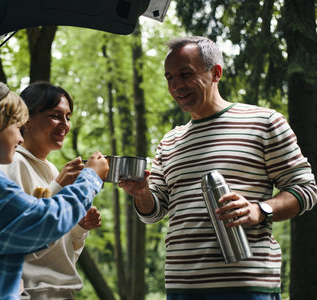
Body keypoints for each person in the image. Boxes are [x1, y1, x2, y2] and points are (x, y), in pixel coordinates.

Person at [118, 36, 317, 299]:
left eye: (185, 74)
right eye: (169, 78)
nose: (176, 85)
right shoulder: (170, 141)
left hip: (246, 287)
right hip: (181, 288)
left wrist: (260, 209)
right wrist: (142, 194)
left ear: (216, 73)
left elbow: (305, 189)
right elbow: (153, 213)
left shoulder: (264, 122)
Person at [0, 78, 108, 300]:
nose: (21, 137)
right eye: (16, 127)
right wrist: (91, 178)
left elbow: (30, 238)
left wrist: (78, 227)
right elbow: (44, 222)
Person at [0, 82, 101, 299]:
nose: (65, 124)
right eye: (55, 115)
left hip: (60, 292)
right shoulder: (12, 163)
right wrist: (58, 186)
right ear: (26, 119)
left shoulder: (52, 170)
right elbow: (22, 234)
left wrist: (79, 229)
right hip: (29, 291)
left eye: (68, 117)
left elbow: (58, 252)